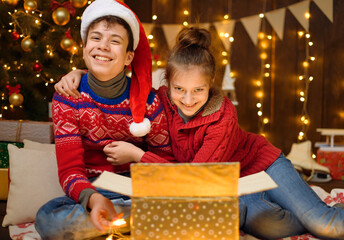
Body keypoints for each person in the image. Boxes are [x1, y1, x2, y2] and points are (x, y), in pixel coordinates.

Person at [55, 26, 344, 240]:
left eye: (199, 91)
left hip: (263, 167)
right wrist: (79, 73)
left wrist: (139, 155)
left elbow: (192, 178)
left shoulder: (223, 115)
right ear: (167, 83)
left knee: (323, 224)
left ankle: (307, 206)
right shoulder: (160, 101)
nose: (189, 99)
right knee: (265, 225)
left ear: (211, 85)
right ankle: (289, 207)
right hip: (232, 189)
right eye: (180, 89)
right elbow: (117, 79)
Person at [35, 0, 175, 239]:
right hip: (94, 188)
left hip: (138, 186)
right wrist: (94, 199)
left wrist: (135, 153)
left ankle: (126, 217)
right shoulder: (68, 98)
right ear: (84, 47)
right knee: (47, 218)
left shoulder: (149, 101)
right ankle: (146, 217)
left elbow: (166, 162)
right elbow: (70, 170)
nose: (103, 47)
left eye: (115, 41)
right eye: (96, 38)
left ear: (129, 57)